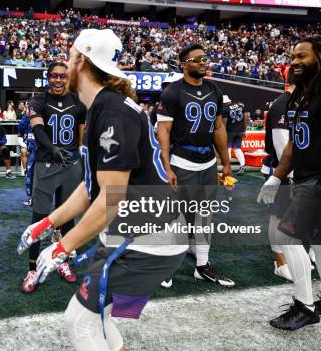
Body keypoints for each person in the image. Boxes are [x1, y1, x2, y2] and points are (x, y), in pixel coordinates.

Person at [17, 29, 186, 351]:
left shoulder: (111, 110)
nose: (66, 64)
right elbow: (91, 185)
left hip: (146, 237)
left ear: (80, 61)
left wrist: (61, 247)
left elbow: (110, 198)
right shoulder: (104, 106)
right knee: (99, 320)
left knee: (79, 320)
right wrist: (46, 224)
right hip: (139, 232)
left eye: (69, 57)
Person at [258, 37, 321, 331]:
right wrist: (276, 177)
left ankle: (305, 306)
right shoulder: (303, 93)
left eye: (302, 56)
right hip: (306, 178)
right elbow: (293, 147)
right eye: (293, 57)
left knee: (284, 235)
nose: (295, 61)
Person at [156, 43, 235, 287]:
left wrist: (226, 162)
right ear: (184, 63)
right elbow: (164, 132)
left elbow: (219, 127)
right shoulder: (172, 92)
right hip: (182, 160)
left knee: (205, 215)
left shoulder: (214, 88)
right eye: (197, 58)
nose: (203, 62)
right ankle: (167, 265)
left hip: (208, 162)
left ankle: (202, 265)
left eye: (205, 58)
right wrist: (167, 166)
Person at [19, 61, 85, 293]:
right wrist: (52, 147)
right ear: (48, 77)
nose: (58, 80)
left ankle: (62, 262)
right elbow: (37, 128)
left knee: (67, 219)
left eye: (62, 76)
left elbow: (81, 134)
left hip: (71, 166)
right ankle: (32, 269)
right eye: (54, 76)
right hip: (46, 164)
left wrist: (80, 156)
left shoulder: (77, 100)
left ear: (68, 79)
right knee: (39, 219)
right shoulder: (39, 101)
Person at [260, 73, 295, 283]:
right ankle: (279, 263)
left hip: (292, 170)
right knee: (278, 216)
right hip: (281, 171)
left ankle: (289, 257)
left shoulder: (297, 103)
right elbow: (283, 149)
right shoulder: (282, 104)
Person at [222, 95, 249, 175]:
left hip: (230, 132)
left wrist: (223, 133)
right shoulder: (240, 106)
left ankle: (227, 167)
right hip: (240, 131)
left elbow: (224, 123)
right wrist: (244, 130)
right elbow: (246, 117)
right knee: (237, 149)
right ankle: (242, 166)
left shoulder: (225, 109)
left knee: (228, 149)